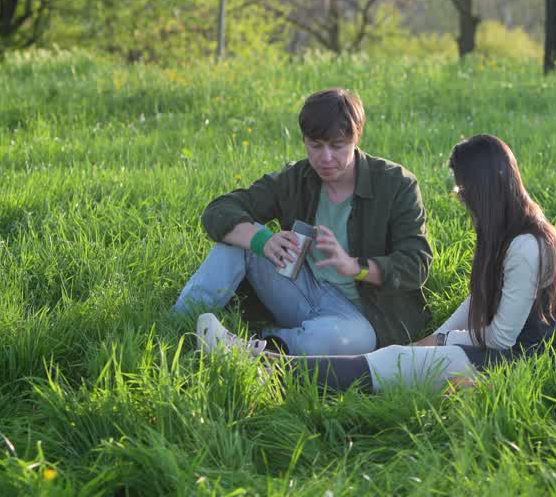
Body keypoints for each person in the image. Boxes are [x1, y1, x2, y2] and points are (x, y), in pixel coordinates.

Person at [194, 134, 556, 393]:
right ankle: (263, 364)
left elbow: (504, 339)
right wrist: (433, 338)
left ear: (483, 189)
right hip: (496, 358)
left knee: (392, 362)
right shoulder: (510, 234)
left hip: (516, 368)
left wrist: (445, 339)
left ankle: (260, 364)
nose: (461, 197)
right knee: (396, 358)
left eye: (462, 188)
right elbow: (478, 301)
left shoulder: (527, 245)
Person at [172, 88, 433, 356]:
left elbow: (416, 263)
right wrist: (263, 241)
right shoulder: (296, 178)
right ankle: (181, 326)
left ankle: (258, 344)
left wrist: (355, 267)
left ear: (357, 138)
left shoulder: (397, 183)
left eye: (337, 145)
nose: (326, 158)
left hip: (360, 317)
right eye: (316, 146)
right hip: (299, 289)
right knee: (237, 237)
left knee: (355, 342)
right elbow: (219, 211)